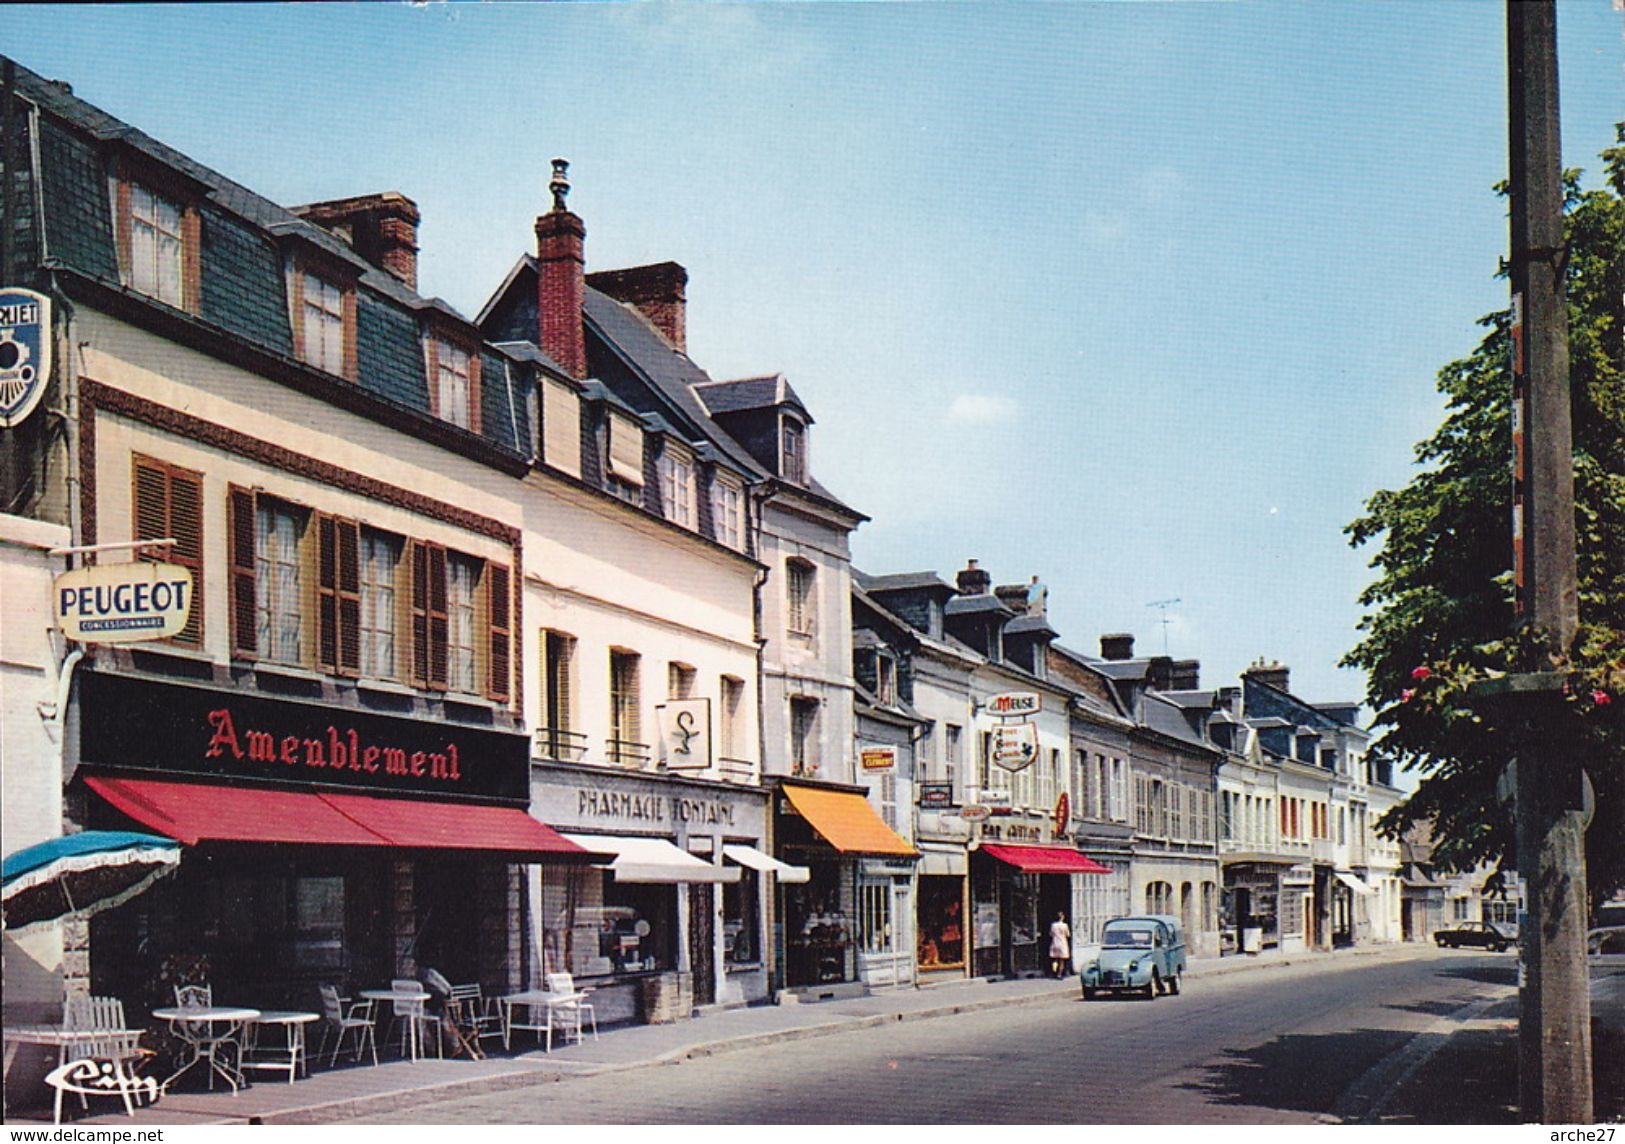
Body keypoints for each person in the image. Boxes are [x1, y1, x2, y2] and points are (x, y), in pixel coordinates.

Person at [1048, 912, 1072, 978]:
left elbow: (1051, 934)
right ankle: (1059, 974)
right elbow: (1068, 935)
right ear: (1062, 917)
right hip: (1062, 943)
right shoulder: (1065, 926)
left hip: (1055, 943)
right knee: (1062, 961)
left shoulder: (1053, 925)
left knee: (1055, 959)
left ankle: (1054, 971)